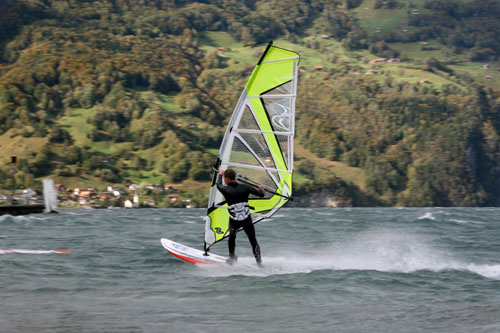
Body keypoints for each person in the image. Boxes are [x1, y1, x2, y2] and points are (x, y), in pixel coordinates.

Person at [217, 168, 265, 266]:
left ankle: (232, 258)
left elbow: (218, 185)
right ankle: (259, 263)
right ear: (234, 177)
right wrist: (261, 188)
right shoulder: (245, 187)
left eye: (225, 178)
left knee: (231, 238)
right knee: (253, 240)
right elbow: (261, 194)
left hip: (234, 221)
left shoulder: (226, 190)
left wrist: (220, 174)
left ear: (226, 179)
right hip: (246, 219)